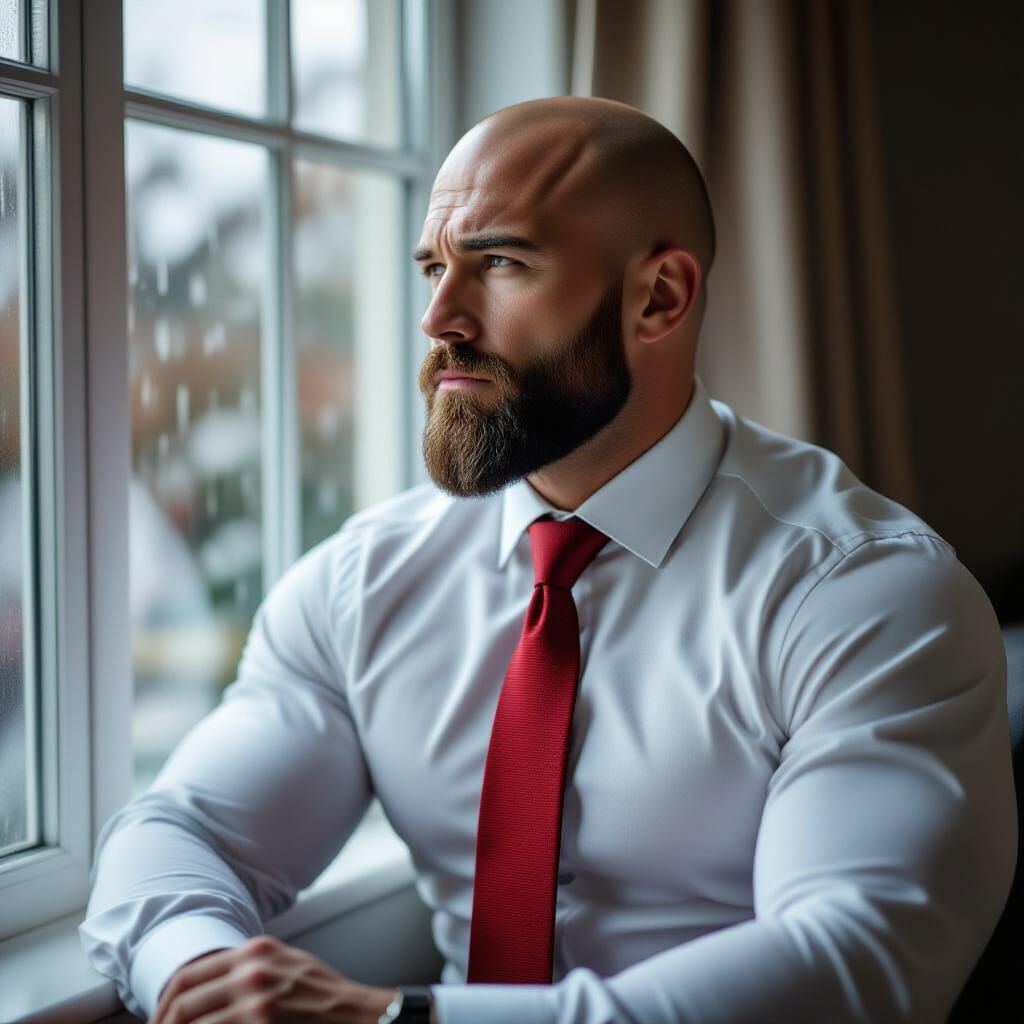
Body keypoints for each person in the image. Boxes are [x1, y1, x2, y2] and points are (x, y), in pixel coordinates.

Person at [80, 95, 1016, 1024]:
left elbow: (858, 961)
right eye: (433, 268)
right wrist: (203, 981)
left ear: (659, 297)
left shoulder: (866, 592)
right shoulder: (362, 584)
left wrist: (402, 1022)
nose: (440, 316)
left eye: (500, 263)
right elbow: (180, 832)